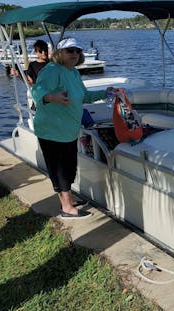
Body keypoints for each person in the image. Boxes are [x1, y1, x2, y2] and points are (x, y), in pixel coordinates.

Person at [31, 38, 114, 219]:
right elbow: (37, 90)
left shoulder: (73, 72)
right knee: (60, 168)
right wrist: (52, 97)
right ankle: (67, 208)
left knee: (69, 166)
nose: (74, 54)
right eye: (70, 51)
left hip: (68, 129)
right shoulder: (52, 70)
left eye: (77, 51)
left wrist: (105, 93)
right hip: (52, 129)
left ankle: (67, 201)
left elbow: (84, 95)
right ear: (60, 53)